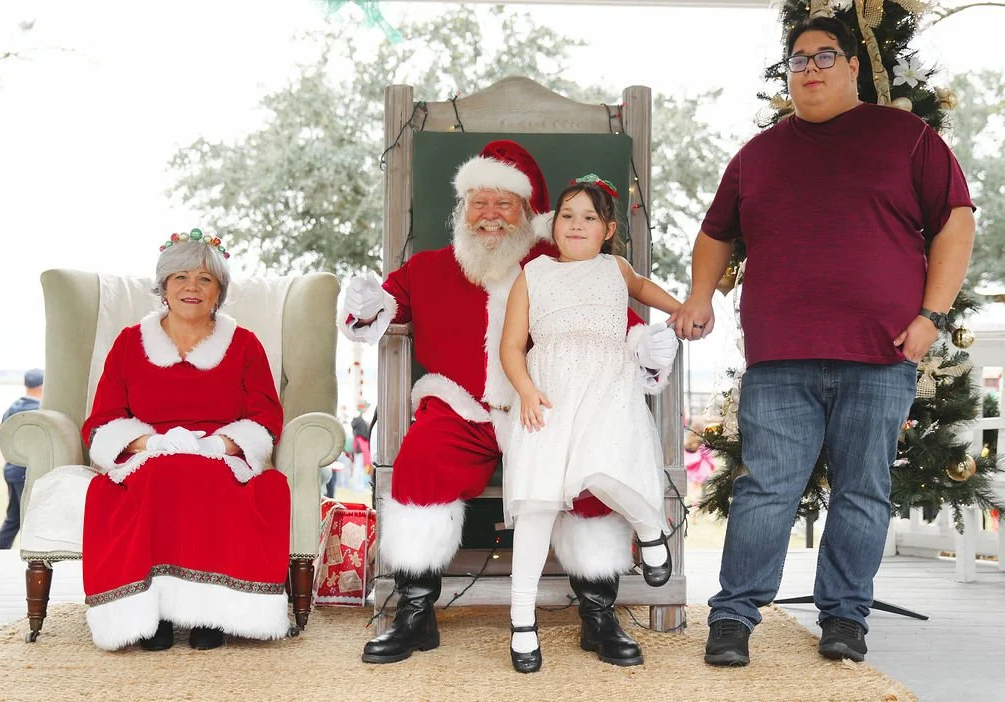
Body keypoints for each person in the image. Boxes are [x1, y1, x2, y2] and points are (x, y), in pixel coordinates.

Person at [670, 15, 975, 667]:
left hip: (881, 355)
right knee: (765, 490)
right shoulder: (759, 154)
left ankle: (844, 618)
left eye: (823, 56)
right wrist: (700, 295)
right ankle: (733, 617)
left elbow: (955, 221)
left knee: (862, 490)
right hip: (780, 359)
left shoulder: (906, 138)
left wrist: (933, 315)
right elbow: (715, 231)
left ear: (852, 67)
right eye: (798, 59)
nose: (809, 68)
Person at [340, 141, 677, 666]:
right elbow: (384, 306)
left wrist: (648, 346)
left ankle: (597, 613)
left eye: (505, 204)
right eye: (480, 202)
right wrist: (367, 304)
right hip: (461, 409)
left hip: (548, 409)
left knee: (589, 469)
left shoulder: (560, 265)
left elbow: (613, 325)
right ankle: (415, 610)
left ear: (529, 213)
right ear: (462, 208)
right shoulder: (428, 267)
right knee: (422, 461)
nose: (490, 216)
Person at [499, 176, 680, 673]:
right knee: (535, 503)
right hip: (550, 394)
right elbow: (511, 346)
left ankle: (649, 528)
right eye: (567, 215)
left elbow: (644, 289)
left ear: (608, 230)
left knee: (601, 472)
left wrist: (680, 309)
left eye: (588, 217)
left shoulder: (615, 268)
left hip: (606, 386)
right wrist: (527, 390)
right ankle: (521, 622)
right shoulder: (532, 274)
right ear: (553, 224)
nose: (575, 224)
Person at [79, 230, 291, 651]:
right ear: (163, 288)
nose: (191, 287)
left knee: (203, 477)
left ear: (219, 292)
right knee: (160, 476)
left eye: (204, 279)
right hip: (148, 454)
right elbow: (103, 418)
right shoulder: (127, 343)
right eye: (179, 277)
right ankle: (152, 614)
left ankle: (207, 615)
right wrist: (150, 444)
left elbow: (265, 416)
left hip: (220, 455)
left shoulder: (245, 345)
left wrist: (219, 446)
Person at [0, 368, 44, 549]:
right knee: (31, 519)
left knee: (13, 518)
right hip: (26, 472)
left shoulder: (12, 408)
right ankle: (33, 558)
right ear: (42, 386)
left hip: (10, 469)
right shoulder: (39, 411)